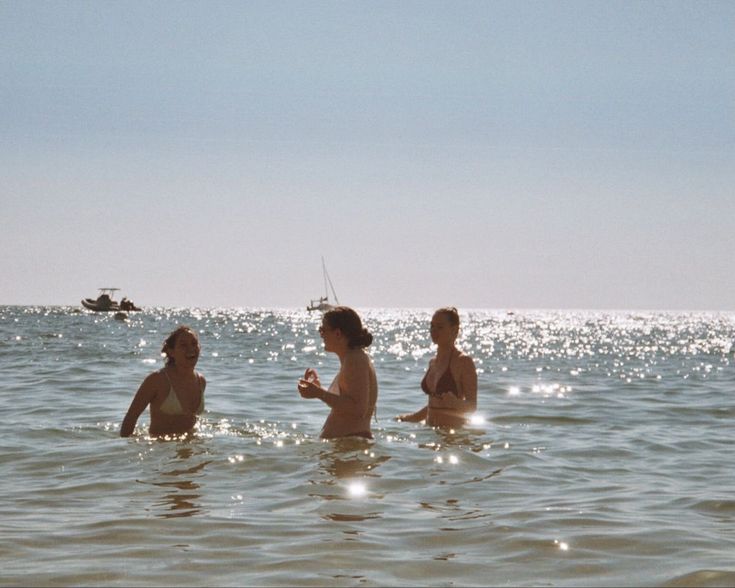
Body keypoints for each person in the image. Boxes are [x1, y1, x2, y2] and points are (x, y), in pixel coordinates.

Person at [298, 306, 378, 439]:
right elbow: (345, 402)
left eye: (323, 329)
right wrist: (317, 389)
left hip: (350, 445)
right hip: (347, 444)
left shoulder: (355, 359)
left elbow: (358, 409)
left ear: (338, 334)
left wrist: (319, 393)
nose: (320, 334)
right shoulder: (352, 358)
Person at [397, 307, 477, 428]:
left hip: (452, 436)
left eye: (440, 327)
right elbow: (433, 404)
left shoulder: (463, 361)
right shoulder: (433, 362)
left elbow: (472, 406)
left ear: (454, 330)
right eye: (432, 326)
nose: (434, 331)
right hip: (430, 431)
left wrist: (455, 403)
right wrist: (410, 418)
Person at [120, 326, 206, 438]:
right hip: (161, 451)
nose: (191, 349)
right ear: (171, 352)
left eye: (194, 344)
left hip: (192, 448)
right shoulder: (157, 380)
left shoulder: (201, 381)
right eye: (183, 345)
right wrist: (124, 450)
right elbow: (131, 418)